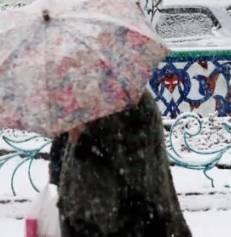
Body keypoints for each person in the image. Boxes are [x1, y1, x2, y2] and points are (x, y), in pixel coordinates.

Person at [57, 92, 191, 237]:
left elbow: (132, 167)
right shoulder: (88, 108)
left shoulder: (125, 106)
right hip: (107, 216)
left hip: (121, 219)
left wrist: (84, 142)